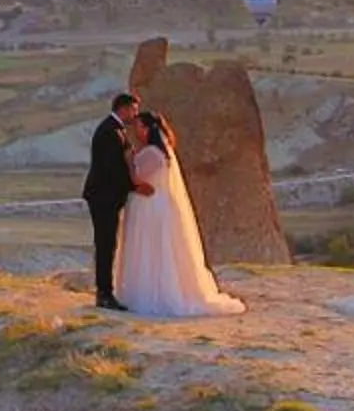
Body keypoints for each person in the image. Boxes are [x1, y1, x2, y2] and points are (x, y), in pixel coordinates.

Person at [111, 111, 247, 318]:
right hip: (156, 206)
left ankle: (152, 294)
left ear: (148, 129)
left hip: (150, 208)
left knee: (152, 250)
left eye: (139, 126)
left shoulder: (151, 154)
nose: (136, 131)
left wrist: (127, 160)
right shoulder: (162, 153)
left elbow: (137, 178)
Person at [80, 92, 149, 309]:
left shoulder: (115, 129)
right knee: (105, 244)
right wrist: (135, 186)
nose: (135, 115)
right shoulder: (110, 131)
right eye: (134, 110)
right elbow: (113, 169)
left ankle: (105, 292)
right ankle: (104, 294)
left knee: (107, 244)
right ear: (124, 108)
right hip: (103, 197)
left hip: (106, 197)